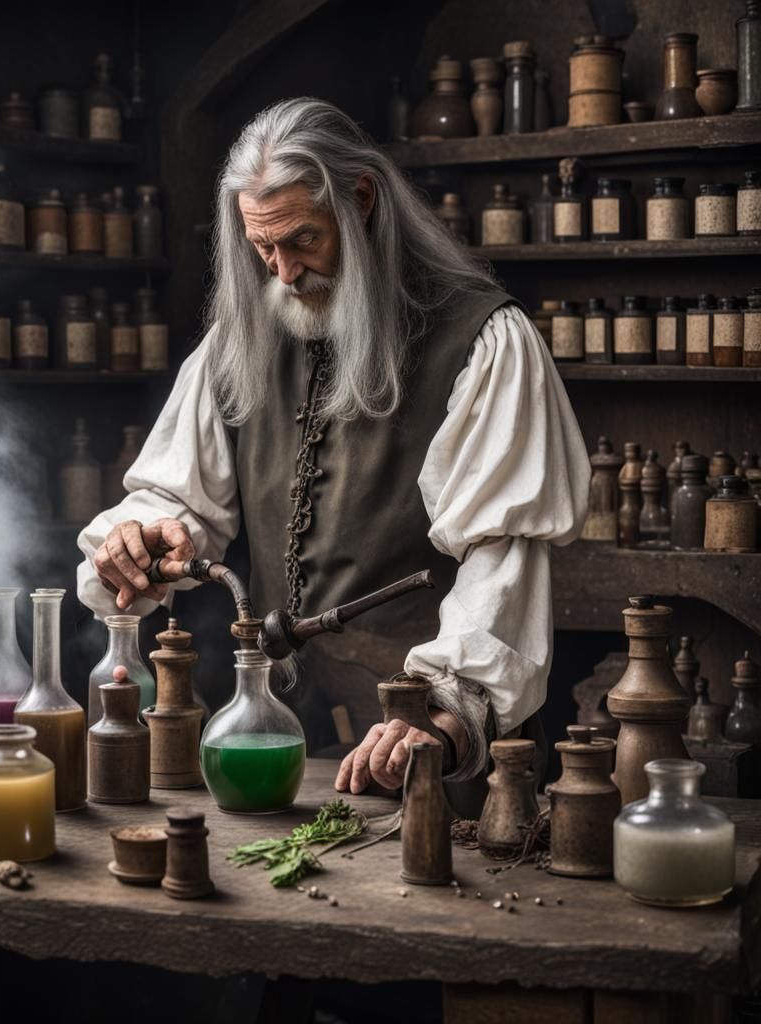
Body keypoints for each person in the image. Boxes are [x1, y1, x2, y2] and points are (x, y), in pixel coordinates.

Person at [77, 97, 589, 812]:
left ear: (363, 200)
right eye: (264, 249)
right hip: (286, 737)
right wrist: (144, 536)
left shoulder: (482, 341)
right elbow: (178, 496)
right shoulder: (238, 344)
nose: (284, 273)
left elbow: (503, 560)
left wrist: (440, 717)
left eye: (303, 240)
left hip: (422, 747)